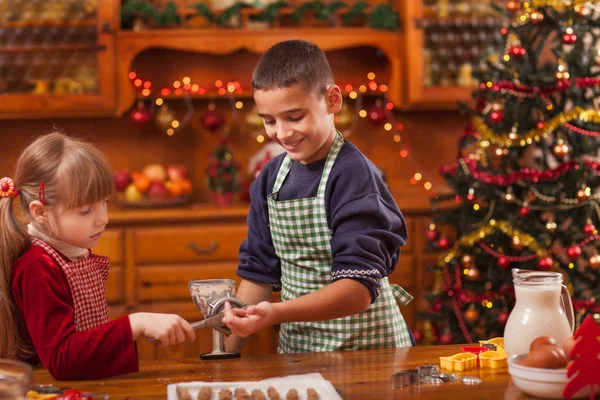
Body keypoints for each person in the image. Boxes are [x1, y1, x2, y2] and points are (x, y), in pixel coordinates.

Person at [224, 39, 415, 354]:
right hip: (300, 353)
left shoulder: (353, 176)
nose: (281, 133)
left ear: (332, 100)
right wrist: (225, 356)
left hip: (368, 354)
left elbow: (358, 290)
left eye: (294, 116)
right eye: (269, 120)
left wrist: (276, 313)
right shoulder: (270, 179)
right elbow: (258, 275)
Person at [0, 133, 195, 380]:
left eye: (104, 202)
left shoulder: (70, 251)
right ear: (40, 212)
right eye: (86, 210)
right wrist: (134, 324)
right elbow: (62, 359)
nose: (103, 218)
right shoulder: (37, 265)